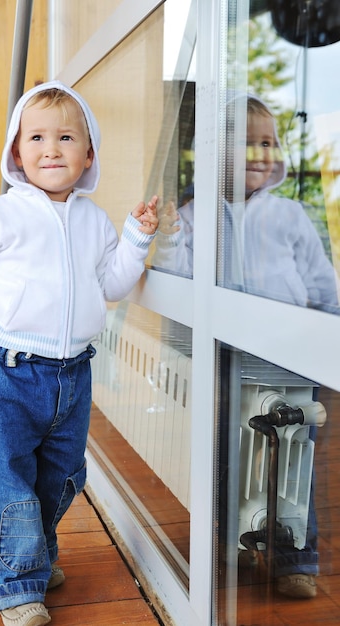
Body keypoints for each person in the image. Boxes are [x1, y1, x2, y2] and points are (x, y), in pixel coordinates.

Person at [0, 80, 158, 626]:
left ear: (88, 153)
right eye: (36, 137)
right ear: (16, 151)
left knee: (61, 475)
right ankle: (16, 584)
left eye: (66, 137)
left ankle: (29, 553)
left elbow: (114, 284)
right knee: (5, 477)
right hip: (8, 373)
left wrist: (136, 238)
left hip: (73, 375)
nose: (51, 149)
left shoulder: (94, 220)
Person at [153, 92, 339, 599]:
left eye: (269, 142)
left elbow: (323, 286)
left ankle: (294, 557)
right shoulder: (195, 217)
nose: (263, 152)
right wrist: (168, 237)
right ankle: (231, 543)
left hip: (290, 362)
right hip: (227, 363)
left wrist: (329, 337)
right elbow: (176, 281)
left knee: (293, 463)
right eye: (249, 142)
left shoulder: (291, 216)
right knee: (231, 458)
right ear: (214, 152)